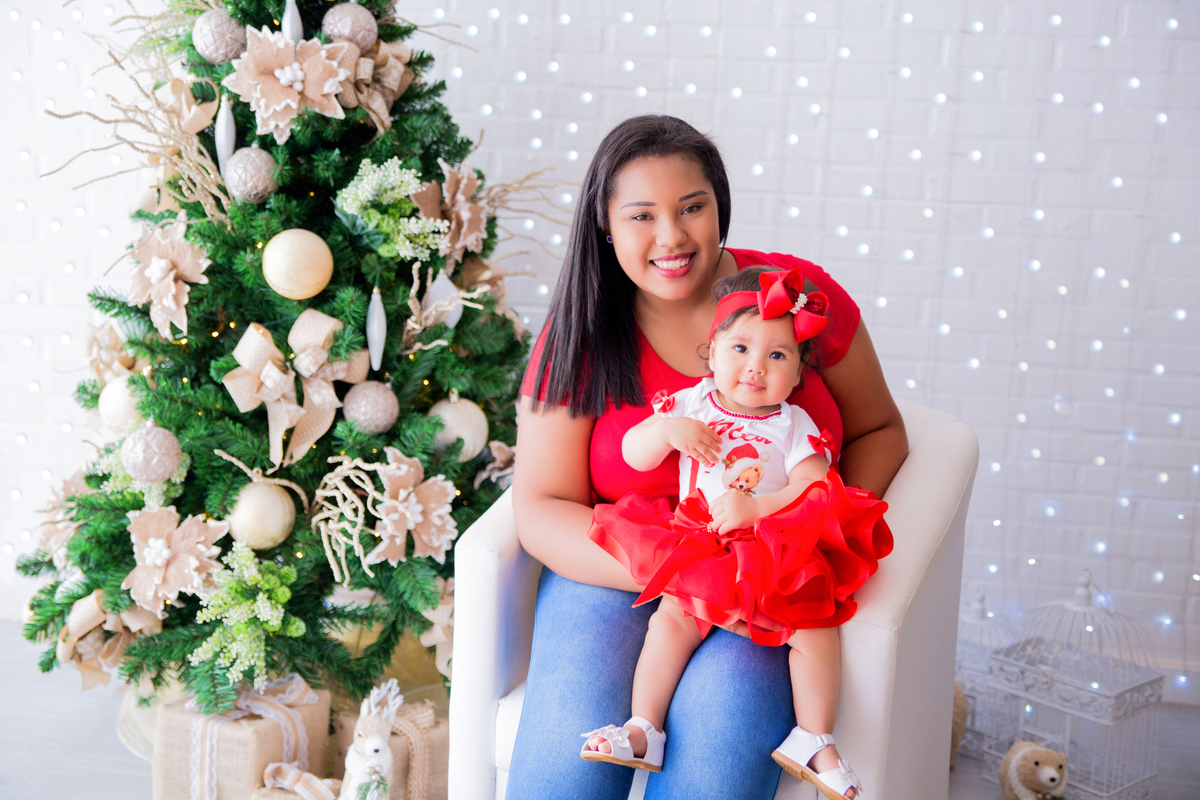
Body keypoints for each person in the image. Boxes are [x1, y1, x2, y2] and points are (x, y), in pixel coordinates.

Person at [510, 114, 908, 800]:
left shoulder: (795, 299)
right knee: (566, 770)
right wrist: (679, 568)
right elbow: (541, 506)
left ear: (720, 205)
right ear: (605, 226)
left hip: (764, 579)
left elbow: (881, 431)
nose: (671, 237)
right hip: (612, 571)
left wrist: (826, 536)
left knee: (718, 750)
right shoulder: (580, 330)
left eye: (692, 207)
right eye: (641, 216)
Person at [578, 266, 893, 800]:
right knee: (671, 623)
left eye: (777, 355)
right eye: (740, 347)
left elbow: (816, 489)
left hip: (766, 548)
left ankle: (814, 739)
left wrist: (761, 508)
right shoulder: (694, 403)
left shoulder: (794, 426)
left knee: (814, 628)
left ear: (797, 374)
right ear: (712, 351)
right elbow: (634, 454)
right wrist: (666, 429)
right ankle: (643, 729)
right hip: (698, 540)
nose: (755, 367)